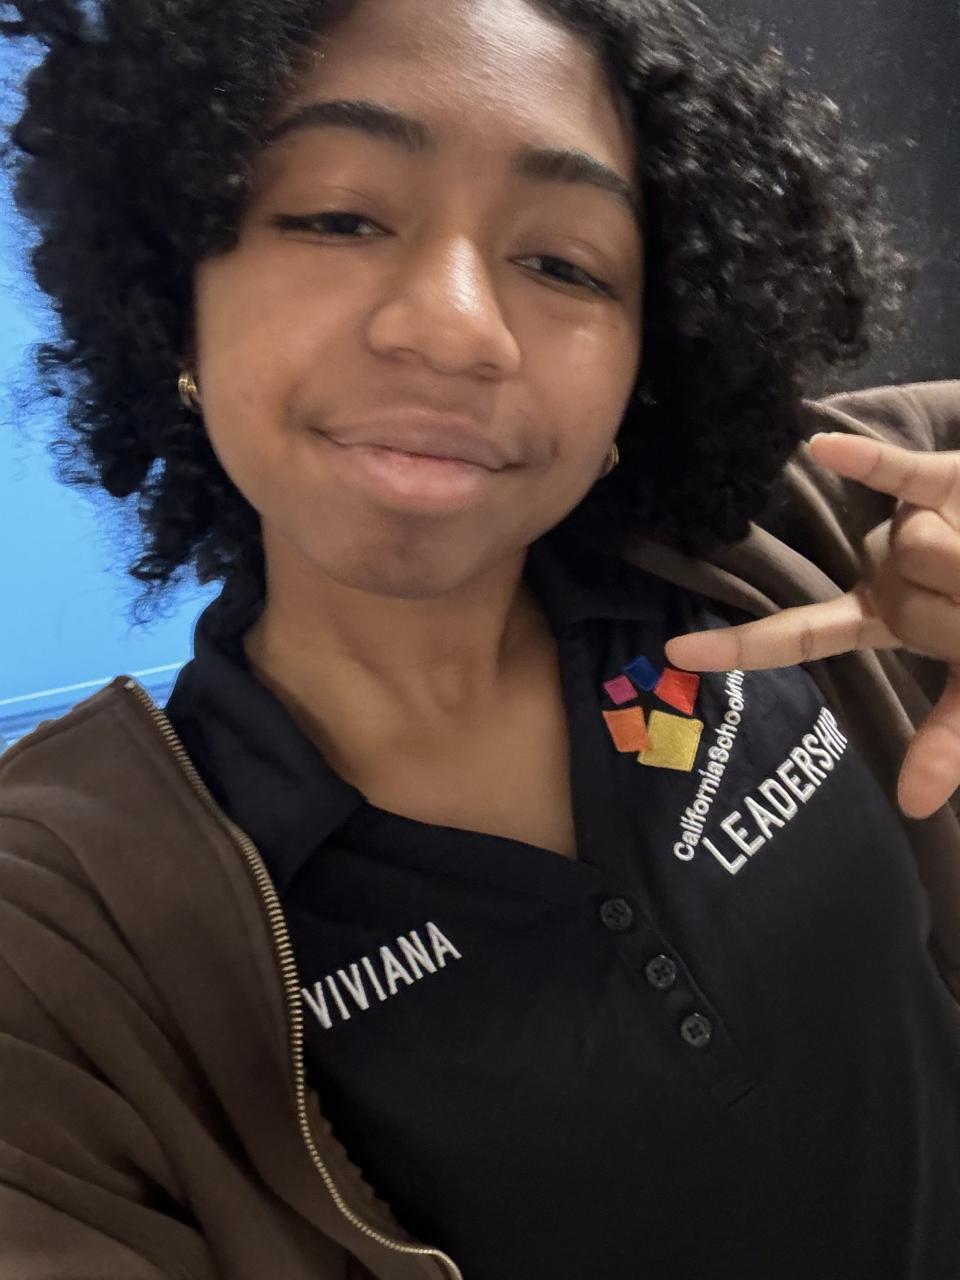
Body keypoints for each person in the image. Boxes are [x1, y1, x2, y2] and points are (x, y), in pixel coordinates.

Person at [0, 0, 958, 1277]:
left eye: (565, 264)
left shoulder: (806, 534)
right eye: (337, 217)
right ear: (177, 300)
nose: (455, 327)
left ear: (643, 358)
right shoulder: (64, 940)